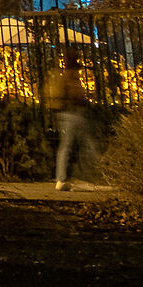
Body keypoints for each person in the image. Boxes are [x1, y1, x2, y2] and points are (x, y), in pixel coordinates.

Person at [43, 56, 92, 190]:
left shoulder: (66, 79)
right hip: (72, 114)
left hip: (69, 115)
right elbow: (75, 96)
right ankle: (67, 176)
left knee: (68, 146)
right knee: (82, 144)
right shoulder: (69, 80)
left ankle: (62, 177)